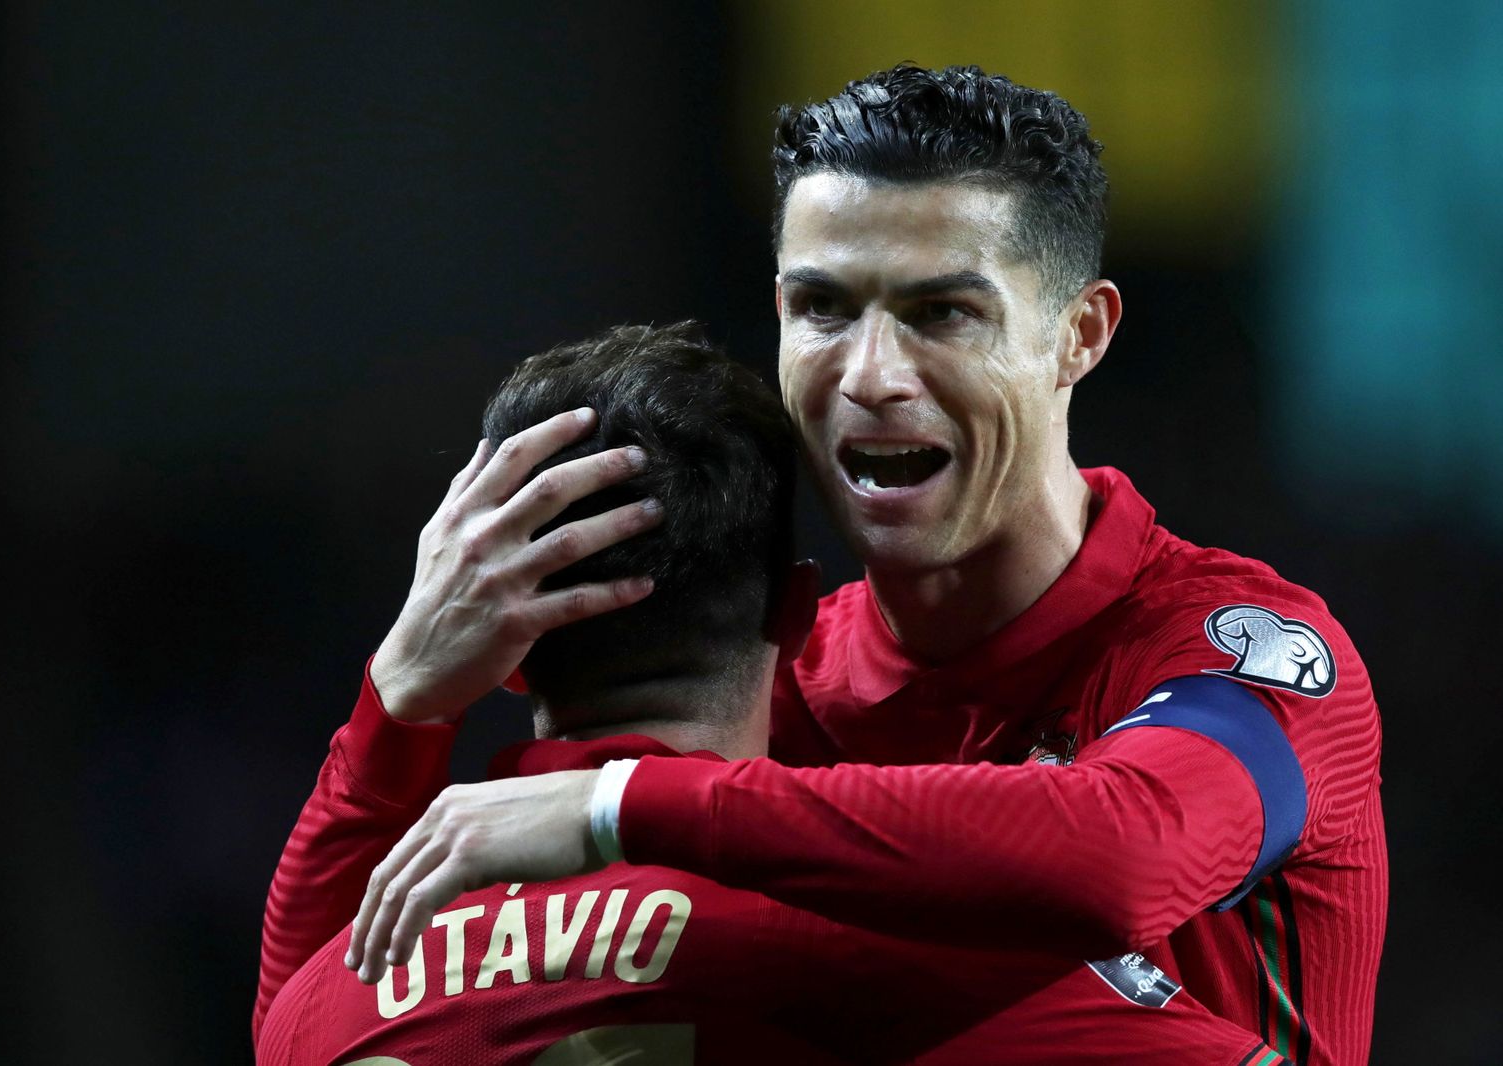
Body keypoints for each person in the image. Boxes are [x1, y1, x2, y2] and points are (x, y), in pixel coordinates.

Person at [346, 67, 1386, 1065]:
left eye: (942, 314)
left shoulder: (1235, 654)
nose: (872, 375)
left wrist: (618, 805)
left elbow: (1124, 858)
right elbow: (331, 1016)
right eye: (824, 308)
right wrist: (397, 707)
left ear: (1078, 334)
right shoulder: (767, 691)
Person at [257, 323, 1286, 1064]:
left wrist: (398, 703)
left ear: (508, 655)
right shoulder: (888, 947)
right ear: (798, 615)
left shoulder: (333, 997)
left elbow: (283, 1021)